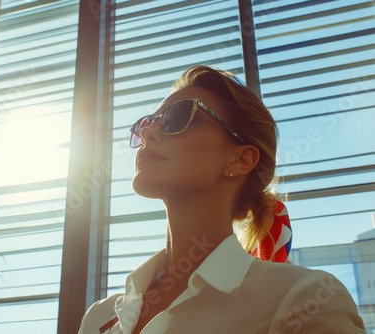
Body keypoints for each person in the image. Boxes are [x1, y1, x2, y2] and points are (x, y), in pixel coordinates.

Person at [78, 65, 366, 333]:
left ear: (240, 159)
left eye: (176, 117)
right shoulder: (99, 317)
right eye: (147, 122)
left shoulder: (304, 298)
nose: (147, 132)